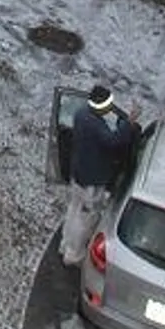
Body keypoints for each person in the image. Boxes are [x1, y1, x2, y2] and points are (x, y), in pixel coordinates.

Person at [60, 84, 139, 267]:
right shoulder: (95, 124)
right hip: (91, 181)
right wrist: (129, 123)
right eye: (108, 104)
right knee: (86, 218)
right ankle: (74, 255)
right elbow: (113, 142)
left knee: (74, 210)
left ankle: (66, 245)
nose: (110, 107)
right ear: (99, 105)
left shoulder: (81, 114)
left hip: (79, 175)